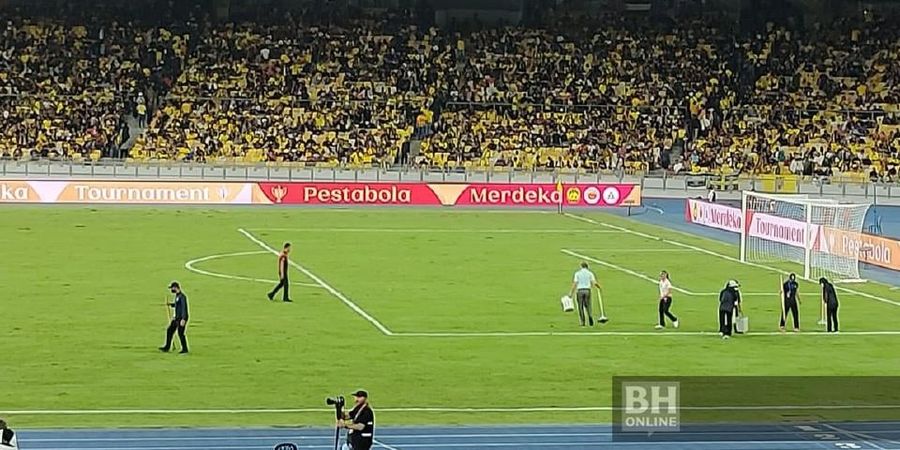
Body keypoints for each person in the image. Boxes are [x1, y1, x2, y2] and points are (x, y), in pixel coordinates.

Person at [569, 262, 602, 327]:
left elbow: (575, 283)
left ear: (581, 266)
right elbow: (594, 282)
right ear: (587, 267)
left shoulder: (577, 273)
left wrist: (571, 292)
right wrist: (599, 287)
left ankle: (582, 322)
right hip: (587, 290)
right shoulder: (590, 273)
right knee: (588, 305)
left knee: (580, 307)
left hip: (580, 291)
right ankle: (590, 316)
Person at [159, 281, 189, 354]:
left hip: (181, 318)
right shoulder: (177, 296)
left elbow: (184, 308)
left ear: (176, 287)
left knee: (180, 333)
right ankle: (167, 347)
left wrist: (183, 319)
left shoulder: (182, 297)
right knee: (169, 330)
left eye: (172, 288)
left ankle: (185, 349)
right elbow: (177, 305)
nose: (171, 290)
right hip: (176, 318)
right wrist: (171, 305)